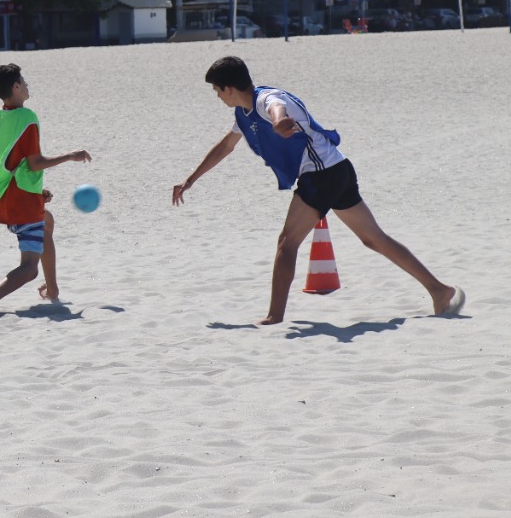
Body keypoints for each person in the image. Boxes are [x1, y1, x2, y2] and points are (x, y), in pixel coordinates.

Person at [171, 56, 465, 325]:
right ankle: (440, 290)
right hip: (338, 170)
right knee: (374, 239)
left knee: (287, 243)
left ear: (229, 88)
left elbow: (277, 108)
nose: (218, 97)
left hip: (321, 175)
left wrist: (280, 122)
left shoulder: (266, 100)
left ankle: (274, 317)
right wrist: (191, 179)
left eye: (217, 91)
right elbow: (225, 147)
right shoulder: (243, 113)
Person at [0, 64, 91, 317]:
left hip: (6, 196)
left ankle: (53, 290)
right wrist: (70, 156)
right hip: (22, 200)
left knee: (47, 222)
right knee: (29, 268)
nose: (26, 84)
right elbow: (35, 163)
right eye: (22, 81)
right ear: (15, 87)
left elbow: (9, 163)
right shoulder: (27, 118)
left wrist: (37, 190)